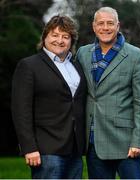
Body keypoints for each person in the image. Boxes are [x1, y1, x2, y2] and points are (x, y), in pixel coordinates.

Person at [76, 7, 140, 179]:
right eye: (101, 23)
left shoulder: (137, 56)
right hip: (94, 141)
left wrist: (139, 141)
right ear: (94, 26)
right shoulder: (82, 53)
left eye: (110, 23)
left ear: (118, 26)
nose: (105, 27)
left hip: (125, 142)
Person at [11, 15, 87, 179]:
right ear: (45, 36)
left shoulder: (77, 65)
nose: (60, 40)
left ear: (71, 41)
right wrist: (29, 147)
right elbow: (20, 110)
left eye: (65, 37)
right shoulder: (29, 66)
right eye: (55, 35)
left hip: (75, 149)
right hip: (46, 150)